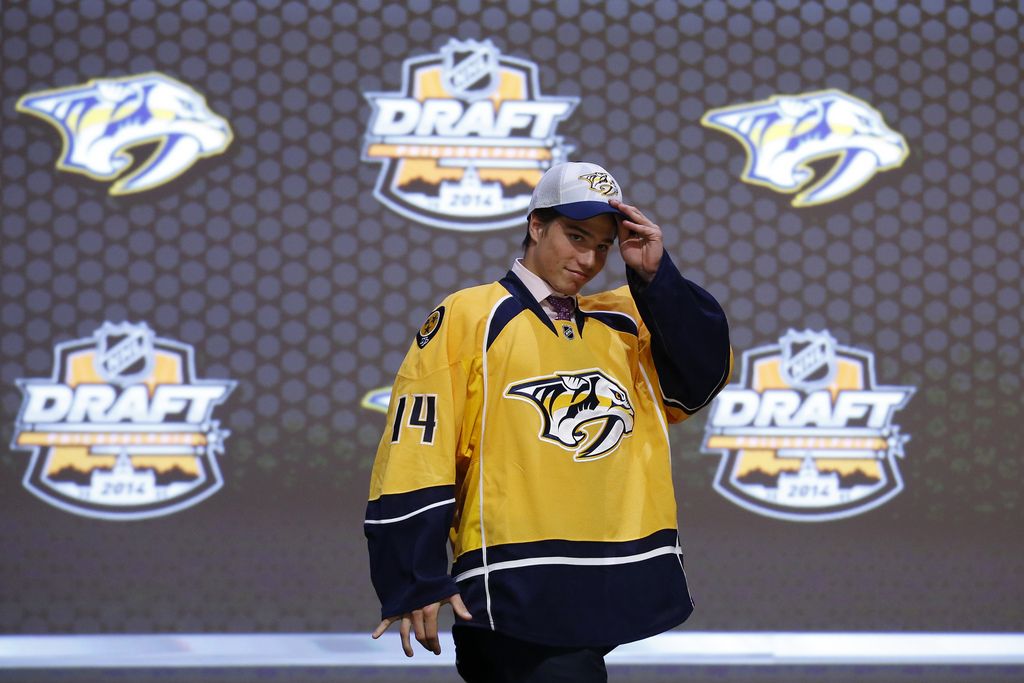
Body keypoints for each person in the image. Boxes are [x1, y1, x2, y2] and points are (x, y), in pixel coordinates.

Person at [365, 161, 732, 681]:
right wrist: (414, 574)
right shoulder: (471, 315)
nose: (588, 258)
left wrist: (656, 276)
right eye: (576, 235)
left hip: (610, 586)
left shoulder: (626, 320)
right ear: (536, 225)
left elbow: (701, 377)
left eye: (604, 245)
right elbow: (415, 447)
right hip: (516, 591)